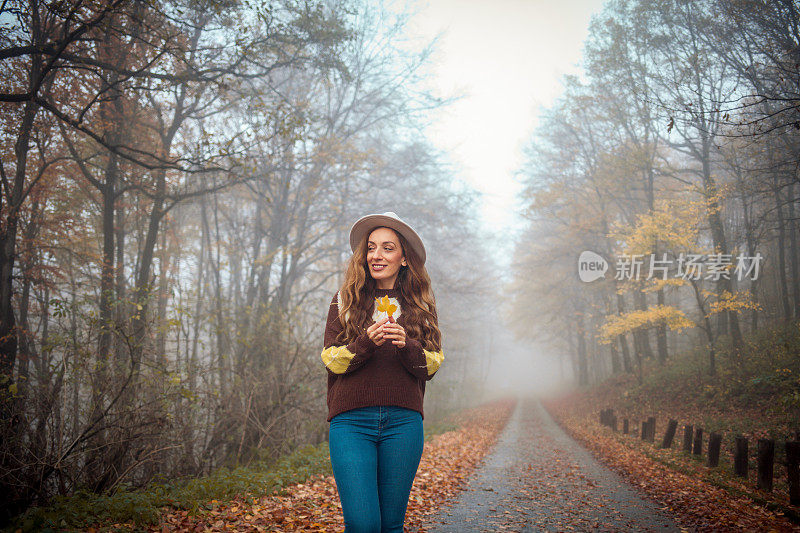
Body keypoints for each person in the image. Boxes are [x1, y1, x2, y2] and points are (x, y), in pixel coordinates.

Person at [320, 211, 444, 533]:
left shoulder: (420, 306)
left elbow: (431, 365)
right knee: (363, 524)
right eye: (372, 247)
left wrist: (407, 345)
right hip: (351, 422)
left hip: (403, 423)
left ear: (404, 258)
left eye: (388, 248)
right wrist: (365, 343)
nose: (377, 255)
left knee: (390, 526)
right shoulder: (344, 302)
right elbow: (332, 360)